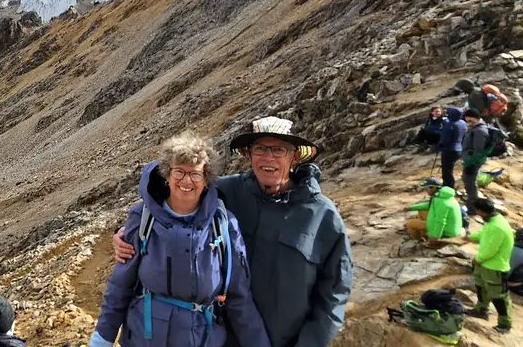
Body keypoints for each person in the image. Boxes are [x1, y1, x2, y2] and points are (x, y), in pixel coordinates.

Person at [113, 117, 352, 347]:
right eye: (260, 149)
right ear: (249, 154)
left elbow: (334, 295)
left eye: (278, 150)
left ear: (295, 157)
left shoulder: (323, 216)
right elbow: (170, 201)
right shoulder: (224, 193)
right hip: (218, 338)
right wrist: (124, 232)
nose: (268, 157)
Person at [90, 132, 269, 347]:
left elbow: (239, 298)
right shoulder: (143, 218)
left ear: (206, 179)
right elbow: (120, 286)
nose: (186, 180)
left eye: (195, 174)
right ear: (167, 174)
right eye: (179, 172)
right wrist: (102, 339)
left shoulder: (224, 224)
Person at [464, 199, 514, 334]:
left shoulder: (497, 226)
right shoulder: (492, 221)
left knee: (499, 297)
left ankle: (505, 324)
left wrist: (478, 259)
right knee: (481, 288)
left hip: (495, 267)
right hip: (485, 264)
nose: (477, 213)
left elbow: (492, 249)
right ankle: (480, 310)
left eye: (477, 211)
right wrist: (471, 237)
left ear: (481, 211)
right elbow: (485, 234)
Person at [404, 178, 463, 242]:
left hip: (447, 232)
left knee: (410, 224)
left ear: (434, 188)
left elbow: (440, 221)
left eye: (427, 188)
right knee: (421, 211)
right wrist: (411, 208)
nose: (426, 190)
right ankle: (424, 232)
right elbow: (429, 205)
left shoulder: (442, 202)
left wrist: (435, 237)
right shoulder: (442, 196)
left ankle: (419, 240)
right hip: (451, 226)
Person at [460, 109, 491, 211]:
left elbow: (478, 151)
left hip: (472, 162)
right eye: (467, 120)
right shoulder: (475, 128)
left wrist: (471, 163)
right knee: (468, 181)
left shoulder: (479, 131)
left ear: (477, 118)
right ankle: (472, 203)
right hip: (470, 160)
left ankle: (473, 208)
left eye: (470, 120)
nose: (468, 122)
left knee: (470, 183)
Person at [436, 107, 467, 188]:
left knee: (446, 171)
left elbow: (445, 139)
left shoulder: (450, 125)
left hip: (449, 150)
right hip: (459, 149)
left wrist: (439, 146)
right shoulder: (463, 123)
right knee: (450, 169)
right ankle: (449, 186)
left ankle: (448, 187)